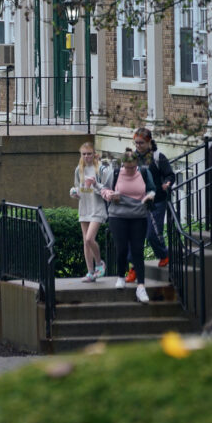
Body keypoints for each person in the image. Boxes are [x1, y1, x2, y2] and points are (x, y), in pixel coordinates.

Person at [100, 148, 156, 304]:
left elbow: (152, 190)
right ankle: (120, 277)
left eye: (132, 167)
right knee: (122, 248)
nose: (129, 170)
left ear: (137, 163)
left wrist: (149, 197)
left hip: (139, 216)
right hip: (118, 216)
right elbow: (104, 189)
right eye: (127, 167)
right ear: (123, 164)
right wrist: (110, 195)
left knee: (138, 250)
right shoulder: (116, 173)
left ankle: (141, 286)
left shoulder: (144, 173)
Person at [133, 127, 173, 276]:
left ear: (149, 142)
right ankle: (134, 268)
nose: (138, 146)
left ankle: (164, 254)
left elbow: (170, 175)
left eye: (141, 143)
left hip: (156, 201)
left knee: (152, 234)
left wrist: (167, 184)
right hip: (138, 201)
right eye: (136, 143)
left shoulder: (158, 157)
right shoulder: (132, 158)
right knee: (135, 236)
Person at [69, 143, 108, 282]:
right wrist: (74, 193)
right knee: (85, 242)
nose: (87, 156)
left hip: (97, 208)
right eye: (84, 154)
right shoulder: (79, 170)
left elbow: (106, 191)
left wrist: (94, 185)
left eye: (89, 153)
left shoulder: (101, 169)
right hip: (84, 208)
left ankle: (99, 264)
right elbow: (80, 190)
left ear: (94, 154)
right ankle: (90, 272)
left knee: (89, 238)